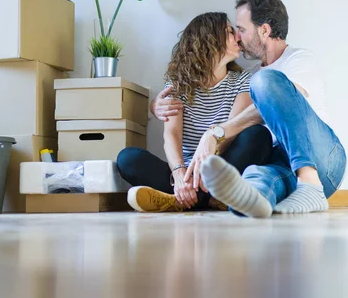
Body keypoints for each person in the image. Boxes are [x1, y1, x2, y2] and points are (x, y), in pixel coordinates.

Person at [152, 0, 347, 218]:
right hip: (281, 165)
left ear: (264, 30)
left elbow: (273, 103)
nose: (238, 37)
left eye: (242, 30)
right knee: (255, 178)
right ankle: (252, 202)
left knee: (265, 82)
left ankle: (310, 183)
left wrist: (215, 133)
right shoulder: (251, 75)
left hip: (321, 159)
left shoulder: (298, 60)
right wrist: (156, 105)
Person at [117, 12, 273, 212]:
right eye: (229, 32)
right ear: (208, 39)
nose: (238, 38)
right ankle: (206, 199)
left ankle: (179, 200)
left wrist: (202, 171)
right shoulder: (178, 85)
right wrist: (180, 174)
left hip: (220, 168)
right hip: (183, 171)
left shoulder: (242, 81)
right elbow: (171, 134)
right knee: (128, 158)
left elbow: (230, 134)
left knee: (257, 136)